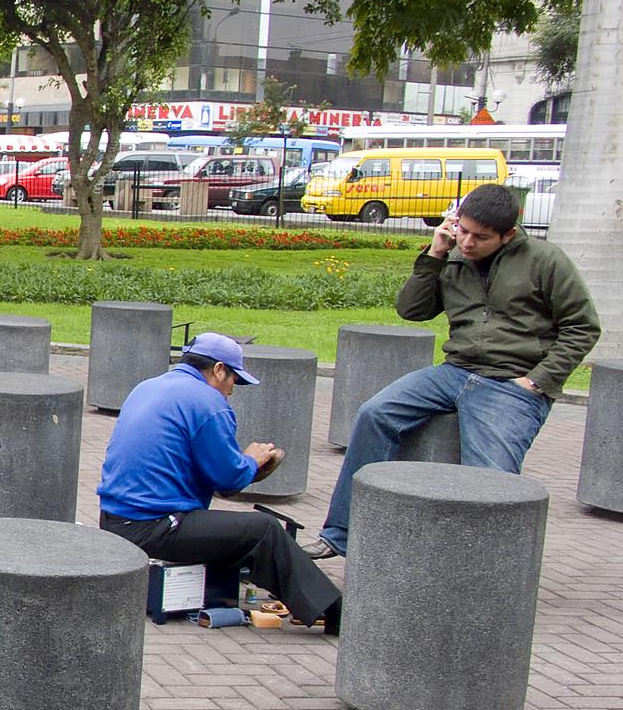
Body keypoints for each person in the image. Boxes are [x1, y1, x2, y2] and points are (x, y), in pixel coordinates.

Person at [310, 183, 601, 558]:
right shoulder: (450, 255)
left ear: (508, 234)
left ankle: (484, 573)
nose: (467, 242)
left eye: (480, 237)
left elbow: (583, 327)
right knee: (375, 414)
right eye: (462, 230)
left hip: (512, 382)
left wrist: (537, 382)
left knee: (491, 478)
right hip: (454, 371)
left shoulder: (545, 260)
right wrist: (434, 254)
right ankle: (341, 534)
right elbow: (411, 310)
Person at [97, 333, 342, 633]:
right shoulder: (207, 401)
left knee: (237, 534)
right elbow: (228, 479)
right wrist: (253, 459)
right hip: (153, 527)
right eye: (233, 381)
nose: (232, 391)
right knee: (264, 530)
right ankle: (335, 613)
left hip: (114, 521)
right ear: (218, 370)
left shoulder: (148, 386)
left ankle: (288, 590)